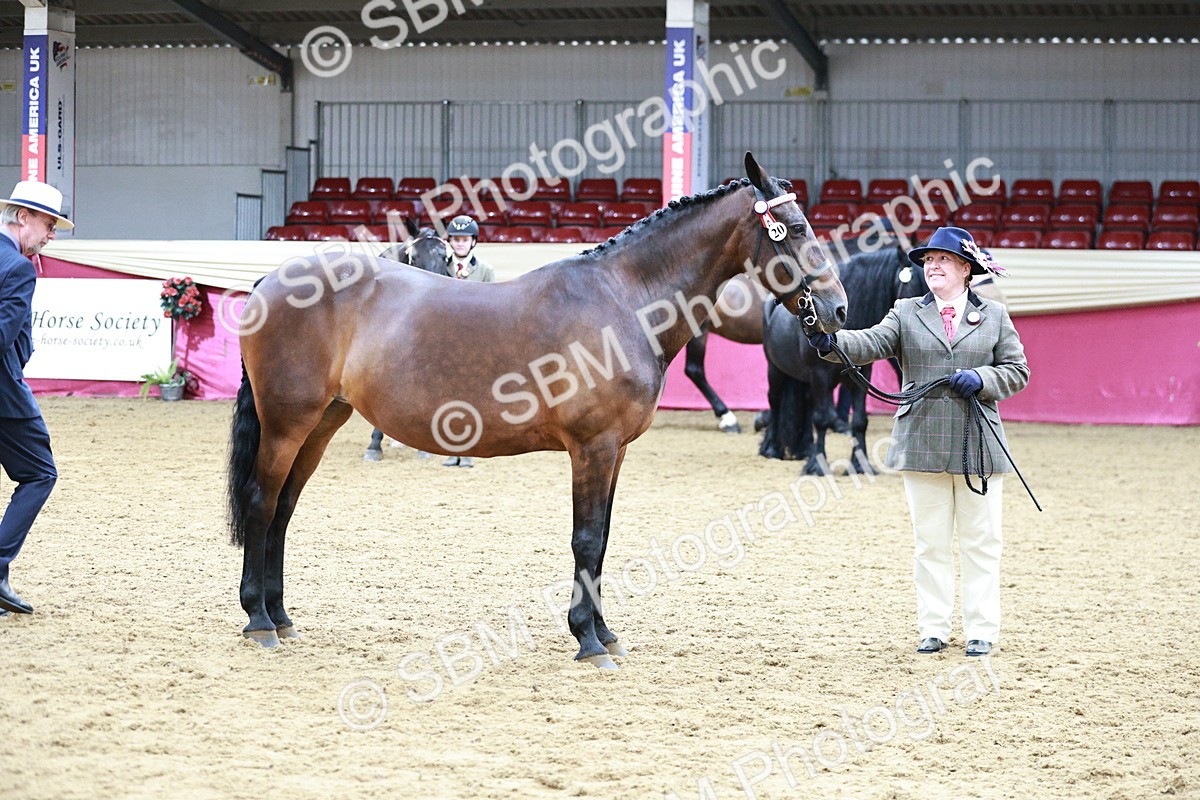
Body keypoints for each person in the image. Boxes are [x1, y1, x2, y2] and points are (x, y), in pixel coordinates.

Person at [808, 226, 1028, 657]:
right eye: (928, 261)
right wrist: (831, 342)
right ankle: (934, 627)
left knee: (980, 543)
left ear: (965, 269)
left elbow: (1018, 371)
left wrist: (982, 378)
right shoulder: (906, 311)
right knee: (929, 544)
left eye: (942, 260)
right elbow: (870, 341)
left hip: (978, 442)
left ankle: (981, 629)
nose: (932, 267)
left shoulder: (995, 316)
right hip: (922, 440)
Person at [0, 181, 71, 616]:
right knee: (40, 474)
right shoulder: (18, 268)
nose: (51, 235)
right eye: (49, 224)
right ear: (23, 217)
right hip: (5, 398)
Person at [442, 214, 494, 467]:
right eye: (456, 239)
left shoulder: (485, 271)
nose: (460, 244)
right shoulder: (440, 267)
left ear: (473, 242)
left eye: (464, 239)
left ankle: (469, 448)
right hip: (443, 338)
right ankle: (452, 449)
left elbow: (490, 305)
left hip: (475, 340)